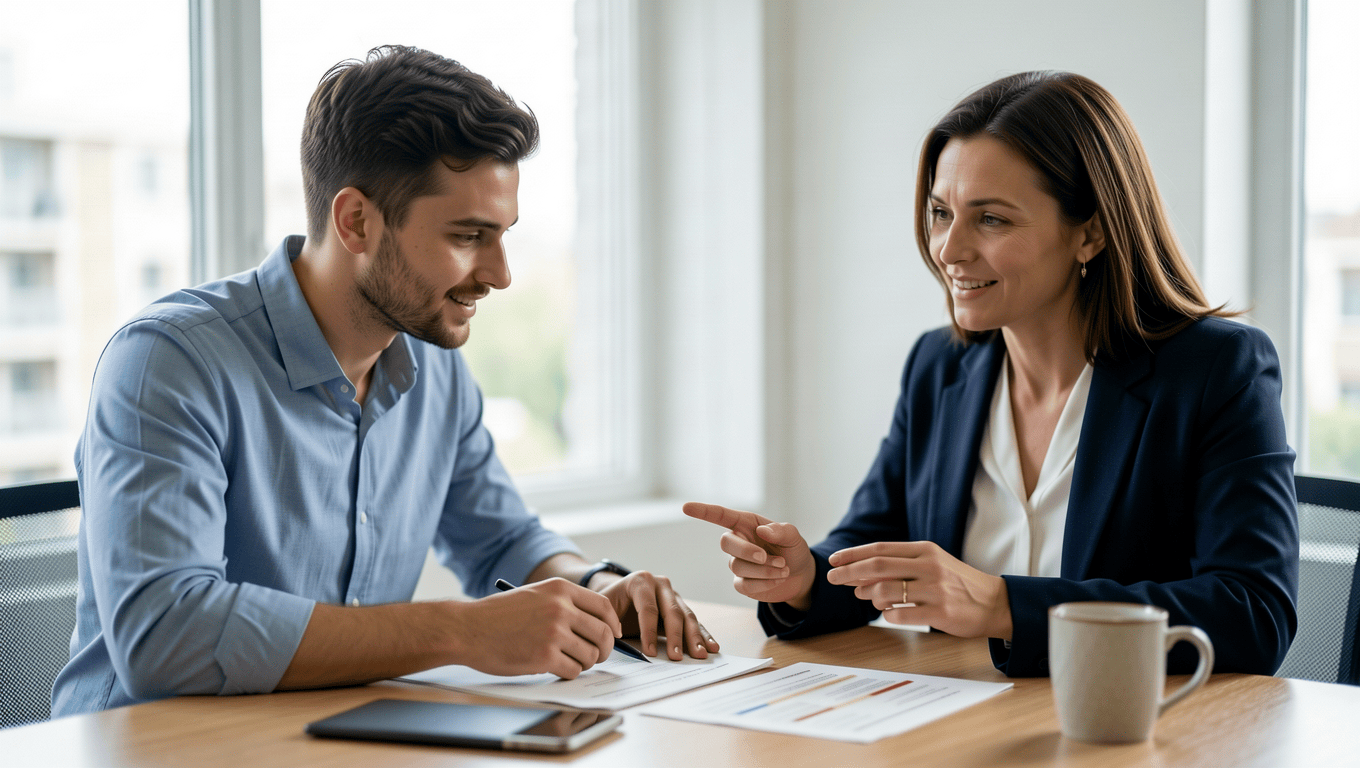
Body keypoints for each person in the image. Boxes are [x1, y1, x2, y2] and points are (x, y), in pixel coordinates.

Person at [51, 45, 719, 718]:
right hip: (152, 749)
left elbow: (502, 540)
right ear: (357, 221)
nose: (501, 273)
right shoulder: (170, 363)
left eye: (504, 235)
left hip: (330, 739)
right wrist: (463, 631)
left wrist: (597, 587)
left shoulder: (435, 370)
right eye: (468, 235)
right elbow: (167, 635)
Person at [685, 70, 1297, 677]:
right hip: (971, 724)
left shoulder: (1217, 369)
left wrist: (1003, 605)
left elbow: (1253, 612)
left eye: (992, 219)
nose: (949, 250)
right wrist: (806, 578)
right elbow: (874, 542)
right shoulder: (939, 367)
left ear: (1091, 232)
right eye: (941, 213)